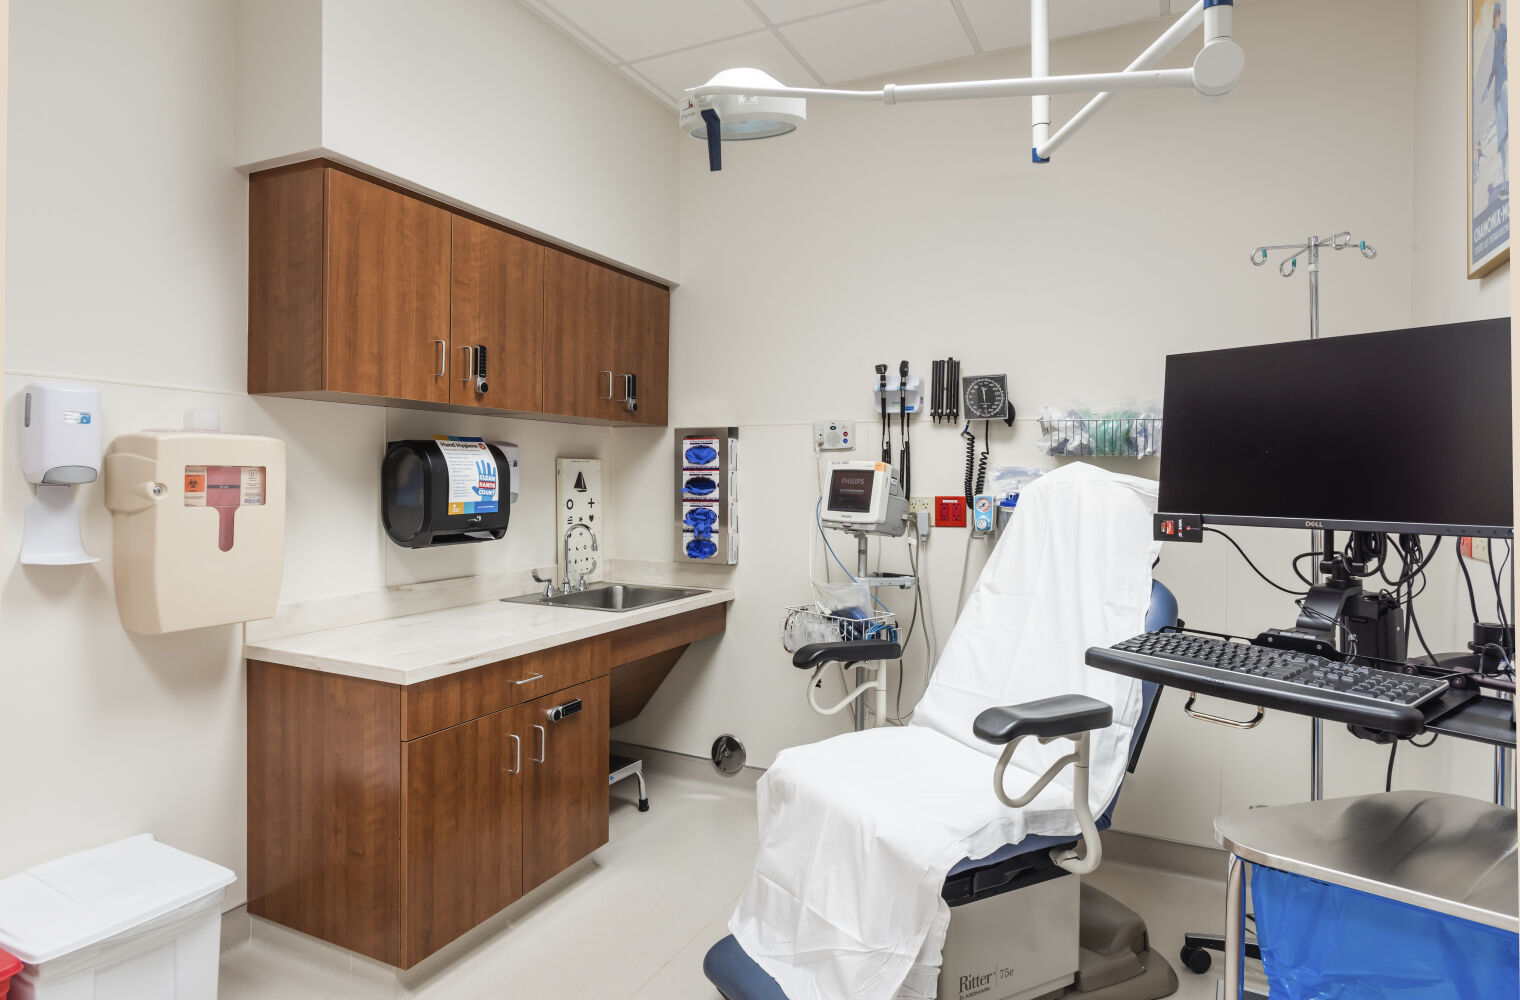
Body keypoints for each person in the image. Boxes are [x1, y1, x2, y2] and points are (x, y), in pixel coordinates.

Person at [1484, 1, 1509, 185]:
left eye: (1497, 16)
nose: (1495, 21)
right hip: (1498, 93)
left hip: (1505, 86)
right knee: (1501, 138)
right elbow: (1493, 69)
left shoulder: (1505, 31)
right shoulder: (1495, 43)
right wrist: (1486, 90)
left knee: (1506, 132)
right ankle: (1506, 177)